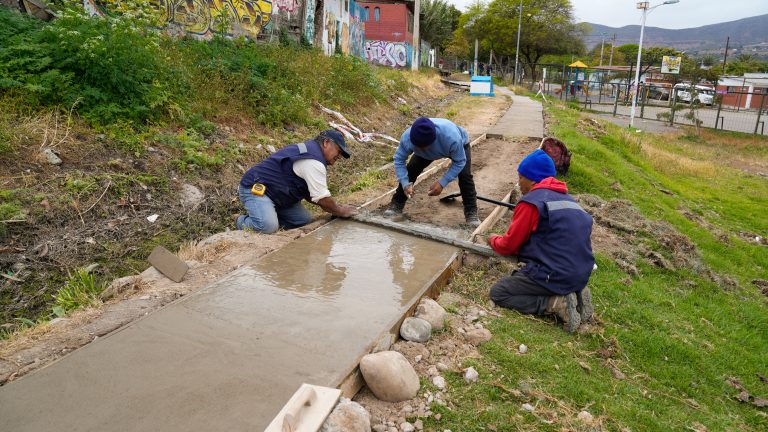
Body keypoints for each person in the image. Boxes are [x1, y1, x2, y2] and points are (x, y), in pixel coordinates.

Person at [486, 149, 594, 333]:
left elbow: (509, 246)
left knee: (499, 292)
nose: (519, 183)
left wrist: (493, 239)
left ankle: (554, 303)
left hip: (554, 273)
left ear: (533, 179)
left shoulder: (531, 203)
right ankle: (574, 290)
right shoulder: (570, 201)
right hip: (581, 273)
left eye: (521, 177)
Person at [236, 130, 358, 233]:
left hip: (279, 194)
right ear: (326, 143)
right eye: (339, 151)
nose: (339, 156)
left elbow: (313, 195)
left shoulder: (313, 153)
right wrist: (340, 211)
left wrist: (334, 207)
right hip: (257, 188)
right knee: (267, 227)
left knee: (302, 221)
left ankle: (268, 215)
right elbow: (322, 199)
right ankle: (241, 221)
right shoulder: (313, 162)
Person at [384, 117, 480, 226]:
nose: (422, 149)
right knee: (411, 169)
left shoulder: (451, 138)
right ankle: (396, 205)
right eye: (418, 147)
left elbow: (459, 162)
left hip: (458, 146)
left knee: (465, 176)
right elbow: (399, 159)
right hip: (432, 148)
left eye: (424, 147)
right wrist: (405, 183)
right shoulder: (407, 137)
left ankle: (471, 213)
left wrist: (442, 183)